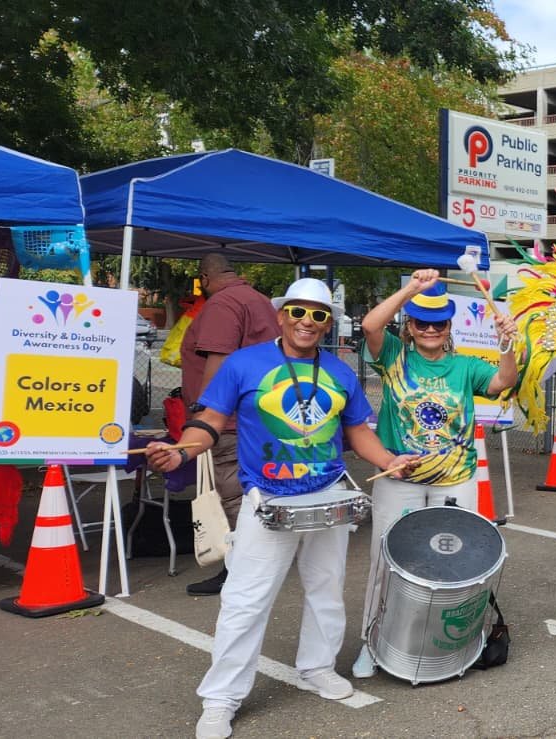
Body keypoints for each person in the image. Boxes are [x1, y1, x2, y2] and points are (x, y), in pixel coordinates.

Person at [148, 278, 419, 739]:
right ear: (281, 316)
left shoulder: (339, 371)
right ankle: (221, 699)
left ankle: (317, 667)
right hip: (268, 500)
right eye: (298, 312)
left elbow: (357, 431)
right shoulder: (244, 364)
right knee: (245, 601)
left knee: (326, 590)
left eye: (317, 315)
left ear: (328, 323)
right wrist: (181, 451)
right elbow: (210, 422)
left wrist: (389, 460)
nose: (306, 322)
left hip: (328, 495)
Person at [350, 271, 521, 678]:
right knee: (385, 563)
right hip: (398, 480)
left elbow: (503, 381)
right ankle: (370, 645)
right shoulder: (393, 355)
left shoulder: (464, 367)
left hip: (456, 480)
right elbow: (370, 325)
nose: (429, 329)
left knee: (457, 567)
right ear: (409, 326)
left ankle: (448, 647)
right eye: (421, 322)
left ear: (449, 328)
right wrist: (411, 289)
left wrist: (507, 345)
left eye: (438, 323)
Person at [179, 253, 281, 596]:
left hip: (230, 420)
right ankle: (254, 564)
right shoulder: (260, 301)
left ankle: (242, 570)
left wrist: (204, 412)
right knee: (253, 492)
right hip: (259, 415)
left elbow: (218, 357)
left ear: (205, 278)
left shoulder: (223, 304)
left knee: (235, 496)